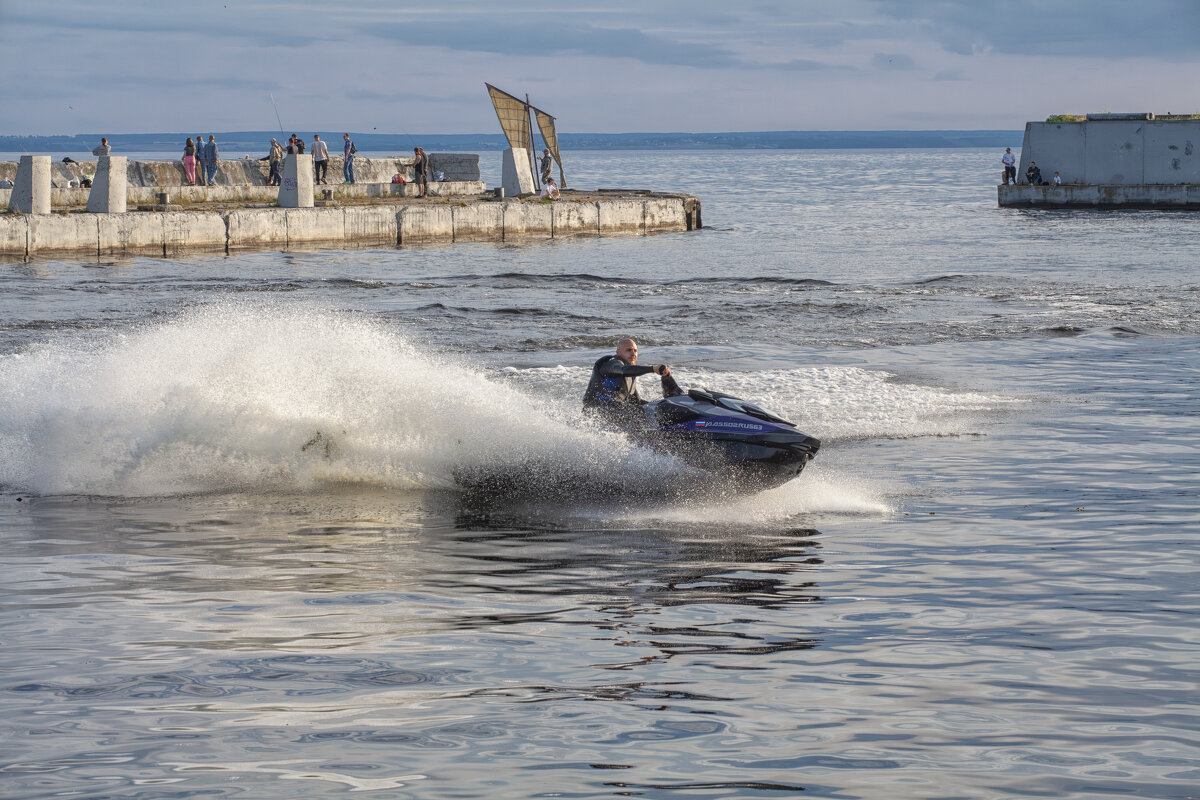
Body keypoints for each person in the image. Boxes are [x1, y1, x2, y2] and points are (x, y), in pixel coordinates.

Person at [582, 337, 683, 430]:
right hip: (596, 408)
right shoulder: (610, 363)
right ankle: (648, 439)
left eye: (635, 351)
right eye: (628, 350)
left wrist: (661, 405)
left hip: (615, 409)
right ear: (618, 352)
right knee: (637, 414)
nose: (633, 353)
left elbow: (638, 403)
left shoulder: (630, 376)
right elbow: (622, 370)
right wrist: (652, 369)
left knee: (648, 410)